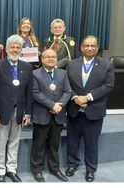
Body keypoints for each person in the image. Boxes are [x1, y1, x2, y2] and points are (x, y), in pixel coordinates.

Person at [65, 35, 114, 182]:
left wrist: (88, 98)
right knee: (72, 140)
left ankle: (90, 169)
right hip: (74, 109)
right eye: (86, 45)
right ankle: (72, 164)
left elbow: (108, 85)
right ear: (81, 47)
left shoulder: (106, 65)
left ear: (97, 48)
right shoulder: (71, 64)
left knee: (91, 142)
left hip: (94, 110)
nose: (89, 48)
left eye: (93, 46)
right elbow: (66, 84)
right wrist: (76, 98)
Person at [0, 35, 33, 182]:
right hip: (1, 111)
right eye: (12, 47)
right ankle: (0, 170)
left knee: (14, 140)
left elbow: (29, 92)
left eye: (18, 47)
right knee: (1, 141)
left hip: (19, 110)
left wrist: (28, 112)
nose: (15, 49)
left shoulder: (27, 67)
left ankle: (11, 169)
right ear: (7, 49)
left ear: (21, 50)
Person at [30, 49, 71, 182]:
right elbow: (35, 93)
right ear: (42, 59)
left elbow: (67, 92)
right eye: (48, 57)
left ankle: (55, 169)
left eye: (53, 57)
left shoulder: (63, 73)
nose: (51, 59)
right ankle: (37, 170)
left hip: (58, 115)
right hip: (42, 114)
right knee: (39, 143)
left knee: (54, 144)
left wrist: (59, 105)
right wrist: (52, 105)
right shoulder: (35, 74)